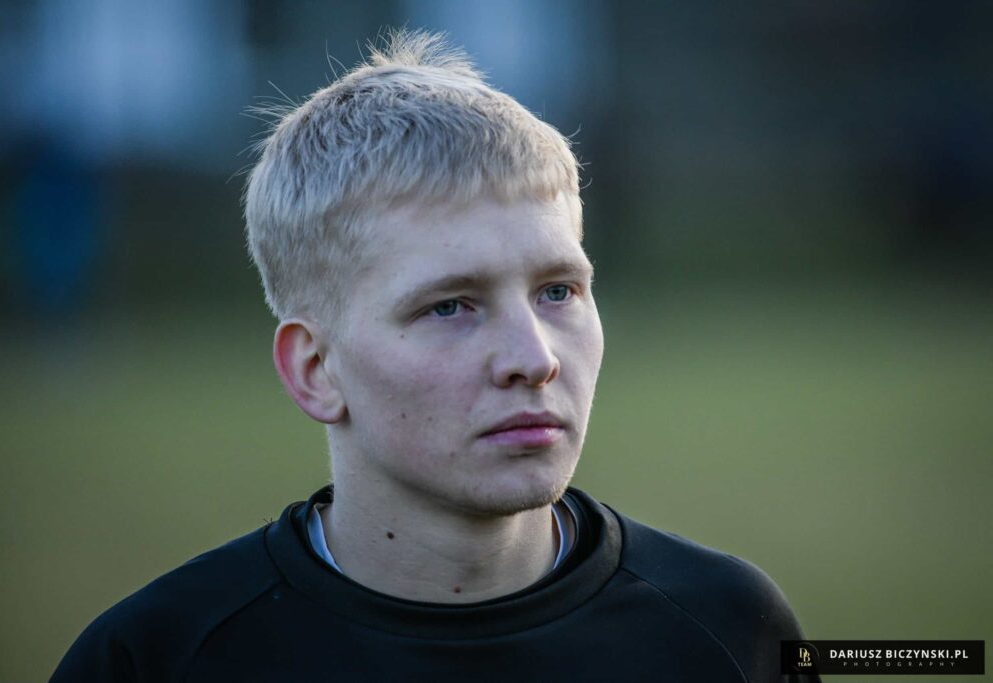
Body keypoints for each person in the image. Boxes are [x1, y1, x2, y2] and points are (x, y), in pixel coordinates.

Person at [51, 29, 819, 683]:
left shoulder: (727, 628)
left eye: (558, 291)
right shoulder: (154, 658)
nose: (535, 358)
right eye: (450, 306)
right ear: (315, 369)